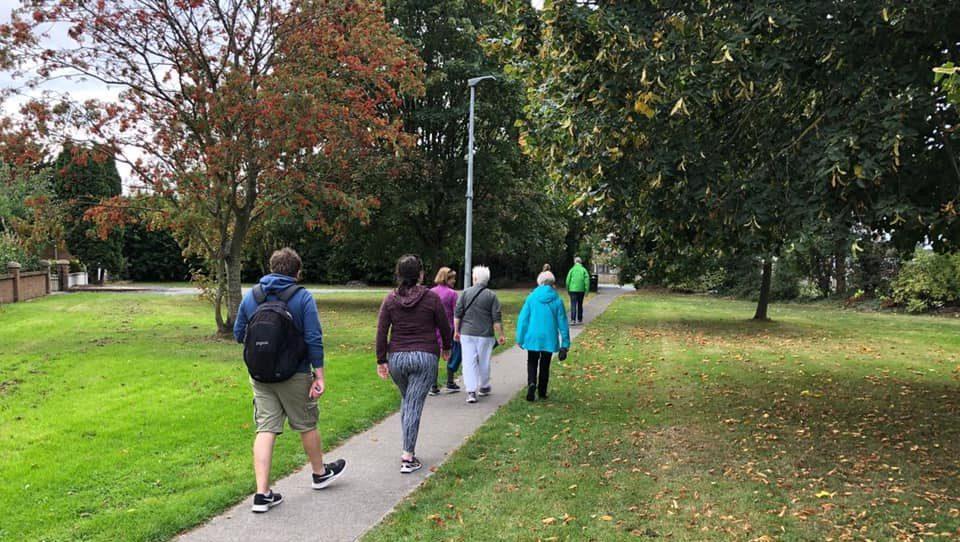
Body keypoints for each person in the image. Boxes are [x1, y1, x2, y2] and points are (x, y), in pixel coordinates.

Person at [234, 247, 346, 514]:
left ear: (271, 268)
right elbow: (313, 338)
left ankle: (262, 494)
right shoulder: (302, 297)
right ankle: (319, 473)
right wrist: (318, 373)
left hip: (260, 374)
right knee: (306, 423)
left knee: (266, 428)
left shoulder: (252, 296)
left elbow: (239, 333)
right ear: (297, 272)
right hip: (295, 373)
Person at [376, 255, 452, 473]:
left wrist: (381, 359)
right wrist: (447, 347)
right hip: (425, 357)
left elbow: (382, 330)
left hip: (398, 358)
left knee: (408, 401)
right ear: (420, 274)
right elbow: (444, 326)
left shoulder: (390, 299)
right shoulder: (431, 298)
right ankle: (407, 457)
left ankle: (408, 450)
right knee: (413, 404)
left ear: (398, 274)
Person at [516, 270, 571, 401]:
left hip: (533, 336)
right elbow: (563, 322)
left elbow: (523, 319)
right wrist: (565, 344)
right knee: (545, 365)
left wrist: (520, 337)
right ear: (552, 283)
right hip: (549, 337)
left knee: (532, 361)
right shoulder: (557, 300)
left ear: (539, 282)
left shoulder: (531, 297)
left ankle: (531, 383)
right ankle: (542, 391)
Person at [454, 265, 505, 404]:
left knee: (468, 361)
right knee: (484, 360)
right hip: (485, 334)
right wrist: (500, 335)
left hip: (467, 333)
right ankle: (484, 386)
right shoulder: (491, 296)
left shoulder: (465, 293)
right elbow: (496, 318)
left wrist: (456, 330)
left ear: (475, 278)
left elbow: (457, 314)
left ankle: (471, 391)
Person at [429, 267, 461, 395]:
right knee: (450, 355)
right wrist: (457, 330)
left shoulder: (431, 292)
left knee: (434, 357)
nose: (454, 281)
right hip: (448, 328)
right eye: (452, 278)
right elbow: (456, 314)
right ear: (445, 278)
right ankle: (450, 382)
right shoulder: (452, 294)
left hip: (432, 328)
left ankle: (433, 386)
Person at [565, 256, 590, 325]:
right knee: (580, 304)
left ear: (575, 262)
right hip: (581, 290)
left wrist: (568, 289)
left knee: (573, 304)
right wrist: (586, 291)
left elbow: (567, 280)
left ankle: (573, 320)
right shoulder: (584, 270)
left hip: (572, 290)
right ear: (581, 262)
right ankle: (580, 319)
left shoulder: (572, 270)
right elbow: (587, 281)